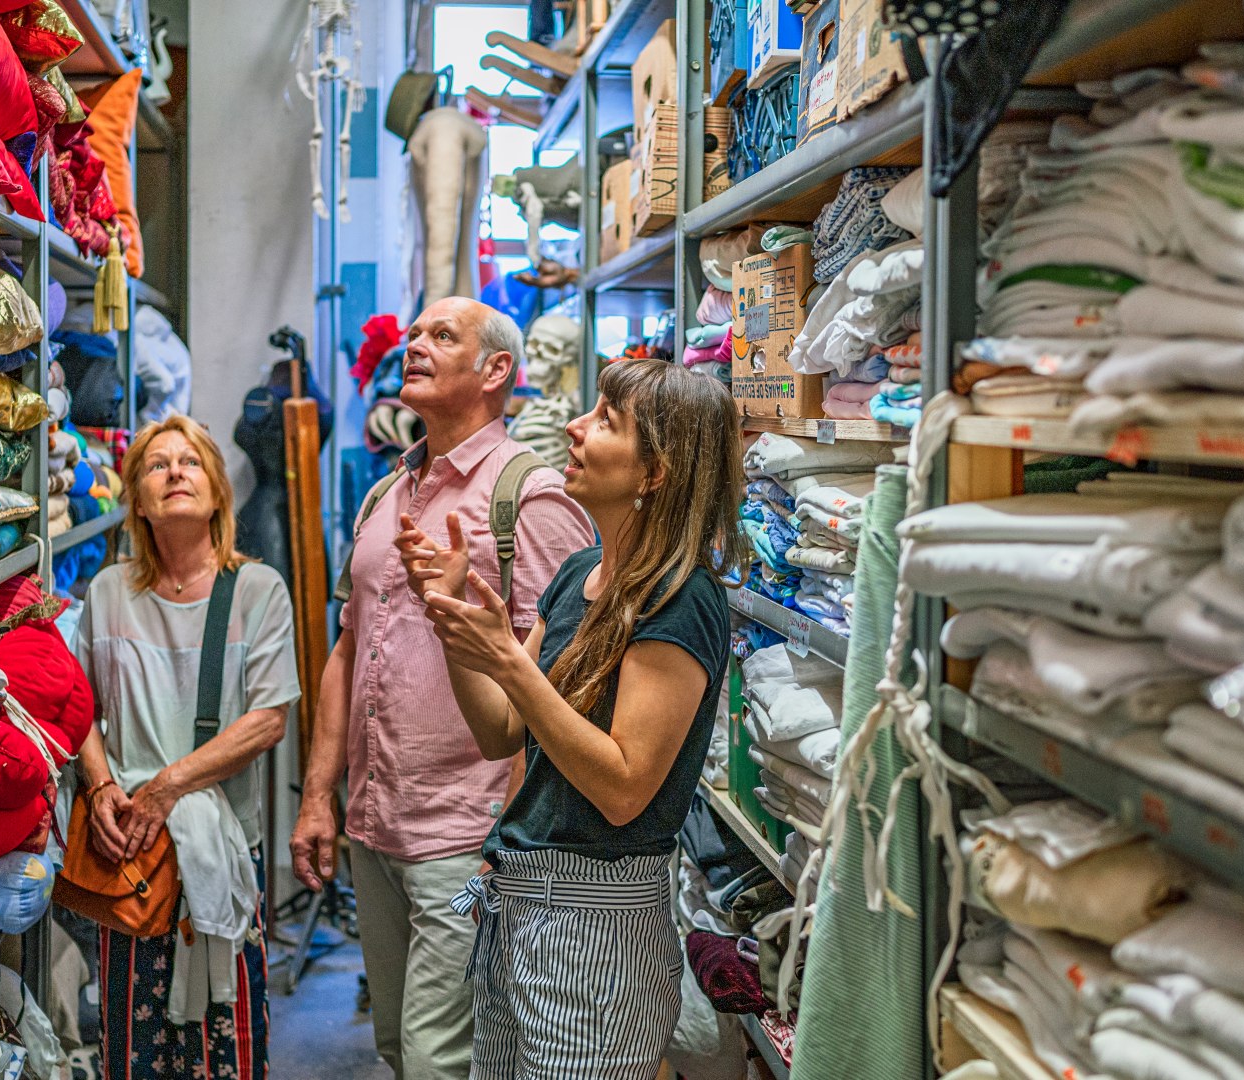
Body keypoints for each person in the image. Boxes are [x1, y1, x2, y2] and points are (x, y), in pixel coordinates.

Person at [395, 358, 748, 1078]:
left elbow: (624, 787)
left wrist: (511, 661)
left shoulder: (681, 599)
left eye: (607, 422)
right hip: (525, 906)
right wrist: (455, 621)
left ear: (656, 473)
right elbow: (501, 728)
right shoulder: (579, 572)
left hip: (597, 928)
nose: (575, 427)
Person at [290, 296, 594, 1079]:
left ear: (496, 370)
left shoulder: (528, 496)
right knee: (396, 1047)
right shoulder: (385, 496)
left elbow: (563, 678)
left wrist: (517, 840)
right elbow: (348, 650)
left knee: (439, 1060)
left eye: (441, 336)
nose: (414, 345)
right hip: (377, 824)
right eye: (414, 333)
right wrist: (320, 795)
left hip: (470, 834)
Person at [71, 415, 300, 1080]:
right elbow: (79, 707)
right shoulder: (109, 590)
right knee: (132, 1046)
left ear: (219, 492)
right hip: (132, 850)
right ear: (137, 501)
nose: (175, 472)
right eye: (156, 465)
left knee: (222, 1047)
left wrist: (167, 786)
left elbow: (267, 719)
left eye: (191, 462)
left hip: (219, 845)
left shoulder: (257, 590)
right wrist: (101, 785)